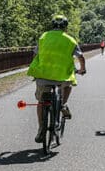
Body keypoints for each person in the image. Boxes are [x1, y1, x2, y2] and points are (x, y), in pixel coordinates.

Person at [27, 15, 86, 143]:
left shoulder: (43, 37)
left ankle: (41, 129)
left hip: (43, 75)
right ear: (65, 26)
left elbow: (35, 53)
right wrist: (82, 69)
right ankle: (63, 105)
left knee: (41, 102)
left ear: (52, 25)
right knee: (68, 85)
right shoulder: (70, 40)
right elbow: (81, 57)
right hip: (62, 77)